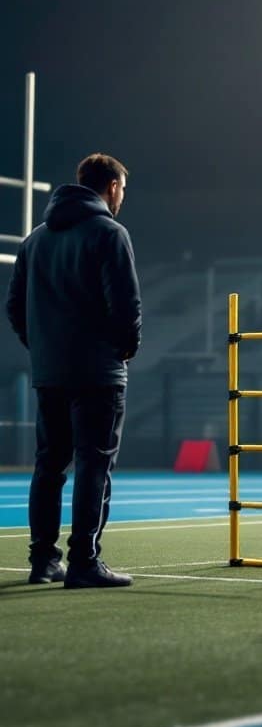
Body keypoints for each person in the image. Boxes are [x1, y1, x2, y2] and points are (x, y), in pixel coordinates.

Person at [5, 153, 142, 588]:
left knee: (49, 467)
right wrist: (124, 349)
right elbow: (125, 306)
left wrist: (43, 349)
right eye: (122, 189)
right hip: (98, 372)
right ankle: (84, 561)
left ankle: (43, 561)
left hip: (50, 372)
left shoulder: (34, 240)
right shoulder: (110, 233)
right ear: (113, 187)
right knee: (93, 464)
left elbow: (14, 308)